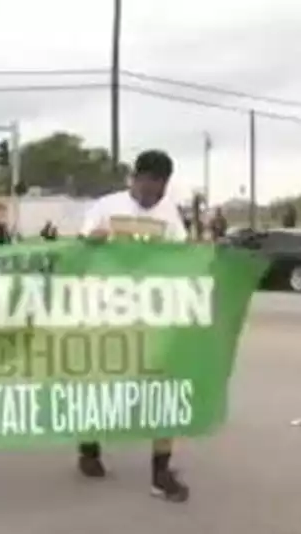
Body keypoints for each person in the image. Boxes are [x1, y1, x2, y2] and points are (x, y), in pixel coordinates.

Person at [77, 149, 190, 503]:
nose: (152, 192)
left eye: (159, 185)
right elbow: (79, 251)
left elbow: (184, 258)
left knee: (164, 389)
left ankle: (161, 473)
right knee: (101, 388)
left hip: (153, 314)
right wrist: (90, 242)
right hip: (108, 313)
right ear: (134, 178)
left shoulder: (170, 214)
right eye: (147, 183)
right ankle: (89, 445)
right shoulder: (105, 208)